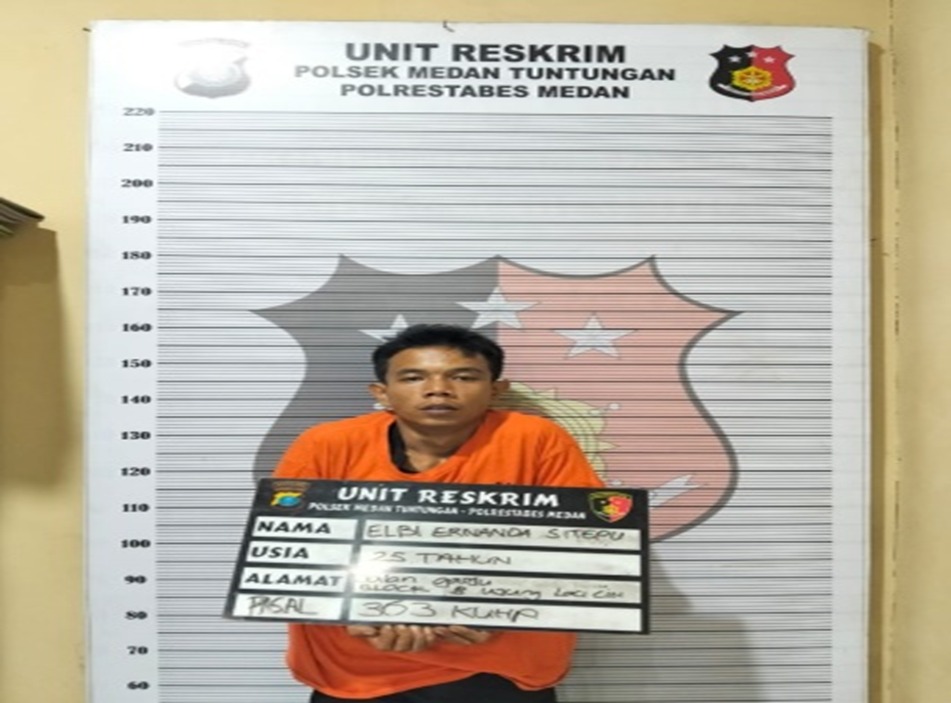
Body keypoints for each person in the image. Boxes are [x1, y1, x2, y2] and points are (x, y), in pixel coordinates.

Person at [273, 323, 603, 702]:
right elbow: (289, 551)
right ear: (381, 393)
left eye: (463, 377)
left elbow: (588, 548)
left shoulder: (537, 440)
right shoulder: (327, 444)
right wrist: (353, 612)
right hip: (353, 669)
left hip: (500, 665)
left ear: (497, 390)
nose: (438, 389)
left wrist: (504, 611)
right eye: (414, 377)